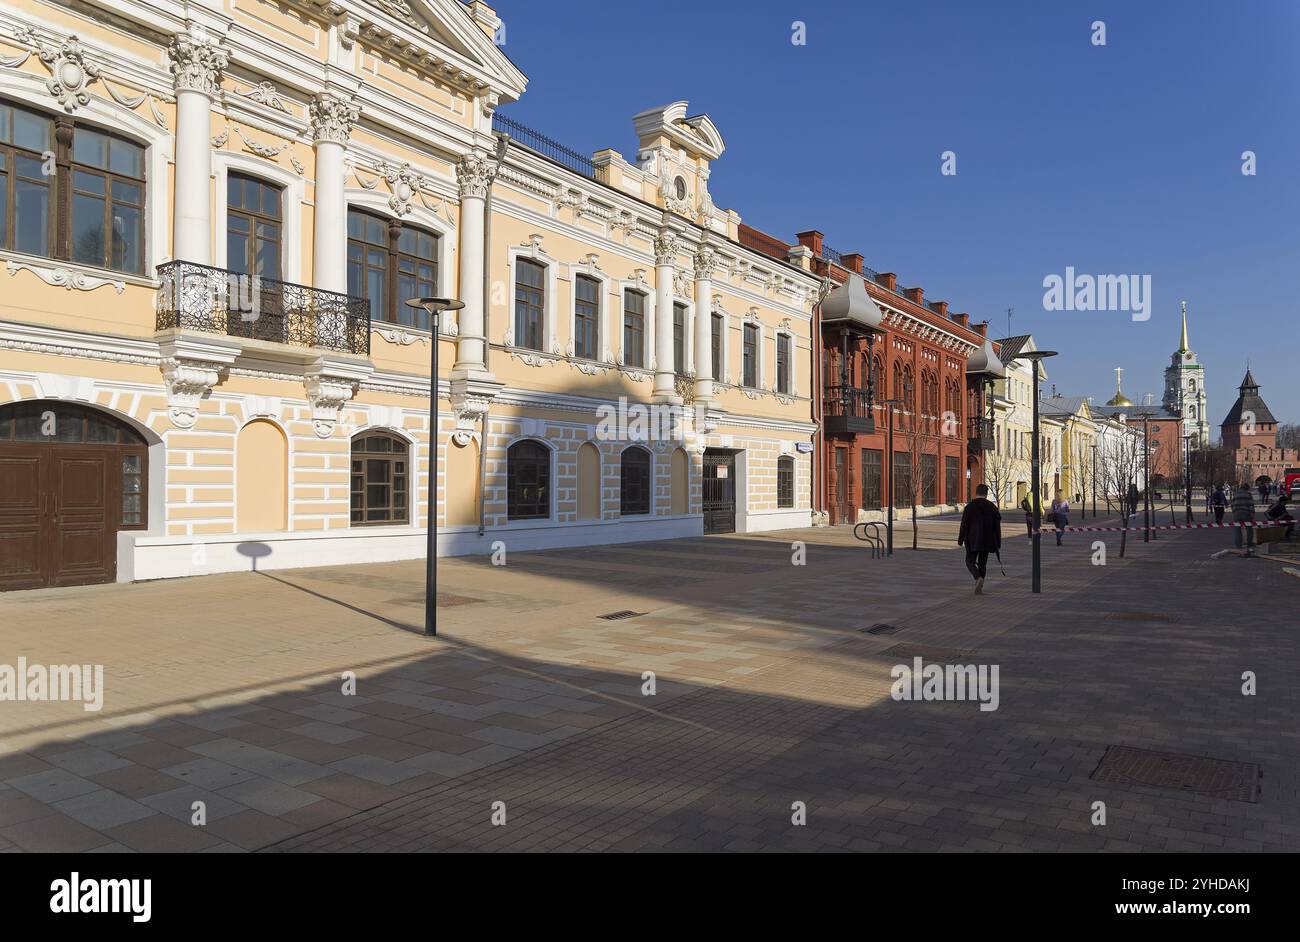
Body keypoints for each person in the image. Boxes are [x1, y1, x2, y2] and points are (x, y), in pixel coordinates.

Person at [958, 483, 1002, 595]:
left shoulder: (969, 507)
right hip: (987, 541)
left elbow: (964, 524)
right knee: (983, 563)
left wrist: (960, 539)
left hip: (972, 540)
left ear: (976, 492)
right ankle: (980, 585)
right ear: (986, 494)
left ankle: (977, 577)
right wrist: (998, 542)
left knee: (969, 561)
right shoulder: (993, 508)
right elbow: (997, 527)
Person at [1232, 482, 1257, 556]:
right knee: (1249, 529)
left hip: (1237, 513)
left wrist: (1234, 511)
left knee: (1237, 529)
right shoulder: (1248, 494)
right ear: (1247, 488)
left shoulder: (1236, 494)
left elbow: (1232, 504)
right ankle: (1249, 544)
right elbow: (1250, 505)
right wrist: (1252, 514)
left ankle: (1238, 545)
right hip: (1246, 513)